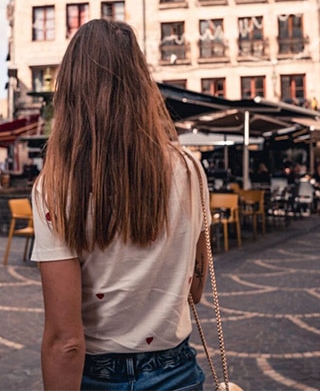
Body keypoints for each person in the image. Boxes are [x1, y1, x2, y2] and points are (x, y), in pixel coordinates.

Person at [31, 19, 209, 391]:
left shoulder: (56, 186)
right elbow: (193, 288)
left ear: (71, 91)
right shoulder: (190, 169)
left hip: (99, 375)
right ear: (142, 86)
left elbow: (66, 341)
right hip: (176, 370)